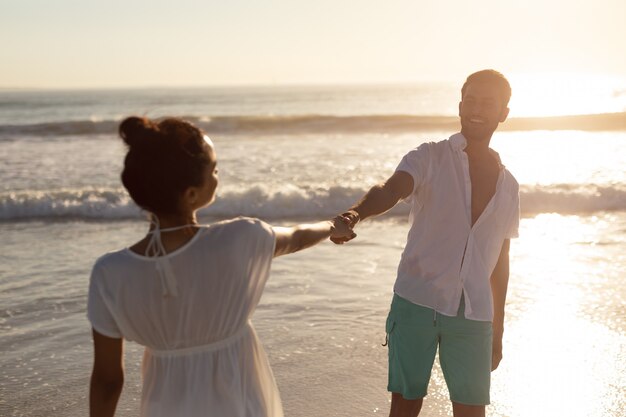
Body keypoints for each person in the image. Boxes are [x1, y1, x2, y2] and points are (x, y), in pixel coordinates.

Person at [87, 116, 354, 417]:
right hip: (238, 400)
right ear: (190, 194)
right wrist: (334, 226)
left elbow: (107, 381)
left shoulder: (110, 273)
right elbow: (296, 237)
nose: (218, 175)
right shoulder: (239, 238)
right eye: (213, 169)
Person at [332, 70, 520, 417]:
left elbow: (501, 259)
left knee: (472, 411)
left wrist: (498, 329)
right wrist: (355, 214)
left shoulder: (509, 185)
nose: (476, 109)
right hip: (417, 301)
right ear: (460, 105)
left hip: (474, 313)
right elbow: (390, 189)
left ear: (503, 113)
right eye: (470, 100)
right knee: (405, 407)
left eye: (487, 103)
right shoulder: (429, 156)